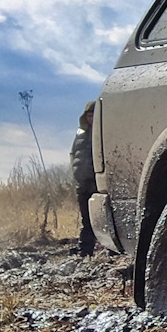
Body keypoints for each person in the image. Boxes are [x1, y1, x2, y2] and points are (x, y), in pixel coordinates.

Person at [70, 102, 98, 255]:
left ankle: (113, 252)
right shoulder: (80, 134)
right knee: (86, 220)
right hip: (82, 183)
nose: (91, 118)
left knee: (101, 219)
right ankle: (85, 251)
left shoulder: (103, 133)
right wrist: (75, 174)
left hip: (98, 183)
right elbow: (73, 155)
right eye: (89, 115)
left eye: (94, 114)